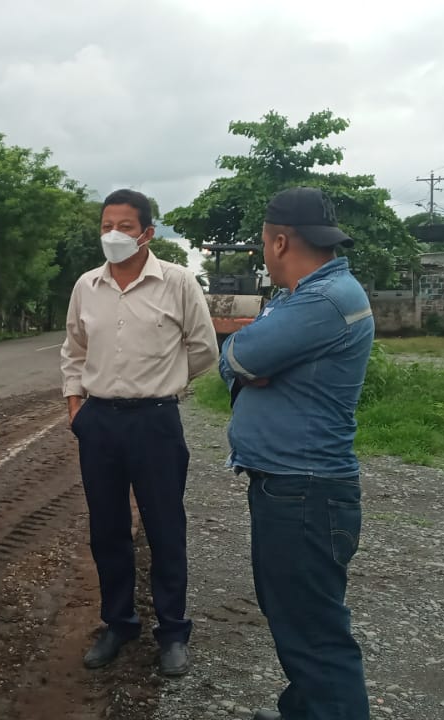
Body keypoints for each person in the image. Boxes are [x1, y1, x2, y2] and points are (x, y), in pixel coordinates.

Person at [219, 187, 375, 720]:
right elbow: (244, 362)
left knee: (314, 633)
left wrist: (244, 359)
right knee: (295, 617)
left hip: (304, 491)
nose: (265, 252)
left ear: (280, 242)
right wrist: (247, 361)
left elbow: (238, 356)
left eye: (264, 243)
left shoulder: (324, 300)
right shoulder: (303, 296)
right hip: (291, 486)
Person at [60, 188, 219, 677]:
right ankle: (118, 623)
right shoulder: (87, 285)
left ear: (147, 232)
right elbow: (74, 350)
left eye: (124, 226)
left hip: (155, 421)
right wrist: (76, 407)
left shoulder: (177, 281)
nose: (113, 234)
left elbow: (203, 348)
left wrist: (165, 382)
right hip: (99, 422)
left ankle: (172, 632)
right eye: (107, 225)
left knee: (165, 528)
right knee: (107, 529)